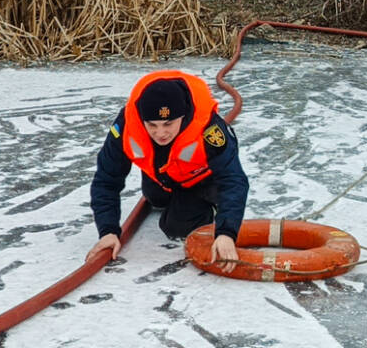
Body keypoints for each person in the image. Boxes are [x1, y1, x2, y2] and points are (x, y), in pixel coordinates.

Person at [86, 71, 249, 272]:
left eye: (168, 124)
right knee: (155, 197)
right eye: (152, 125)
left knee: (176, 227)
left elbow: (233, 180)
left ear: (183, 116)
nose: (160, 133)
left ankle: (208, 206)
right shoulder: (126, 126)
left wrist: (226, 232)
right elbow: (106, 179)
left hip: (202, 178)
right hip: (163, 175)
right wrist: (108, 230)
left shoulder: (210, 129)